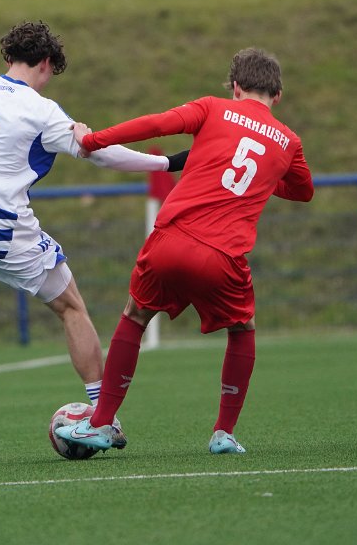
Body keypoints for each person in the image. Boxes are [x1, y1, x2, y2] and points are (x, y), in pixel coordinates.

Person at [0, 21, 187, 466]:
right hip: (4, 229)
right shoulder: (42, 112)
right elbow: (99, 152)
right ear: (45, 63)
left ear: (8, 57)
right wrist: (167, 162)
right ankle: (105, 418)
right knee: (71, 307)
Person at [55, 47, 314, 455]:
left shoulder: (212, 108)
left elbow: (155, 124)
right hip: (224, 256)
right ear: (277, 96)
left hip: (171, 239)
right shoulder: (289, 141)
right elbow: (303, 191)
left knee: (135, 316)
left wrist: (92, 139)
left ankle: (101, 423)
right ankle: (223, 433)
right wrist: (265, 177)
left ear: (235, 87)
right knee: (241, 329)